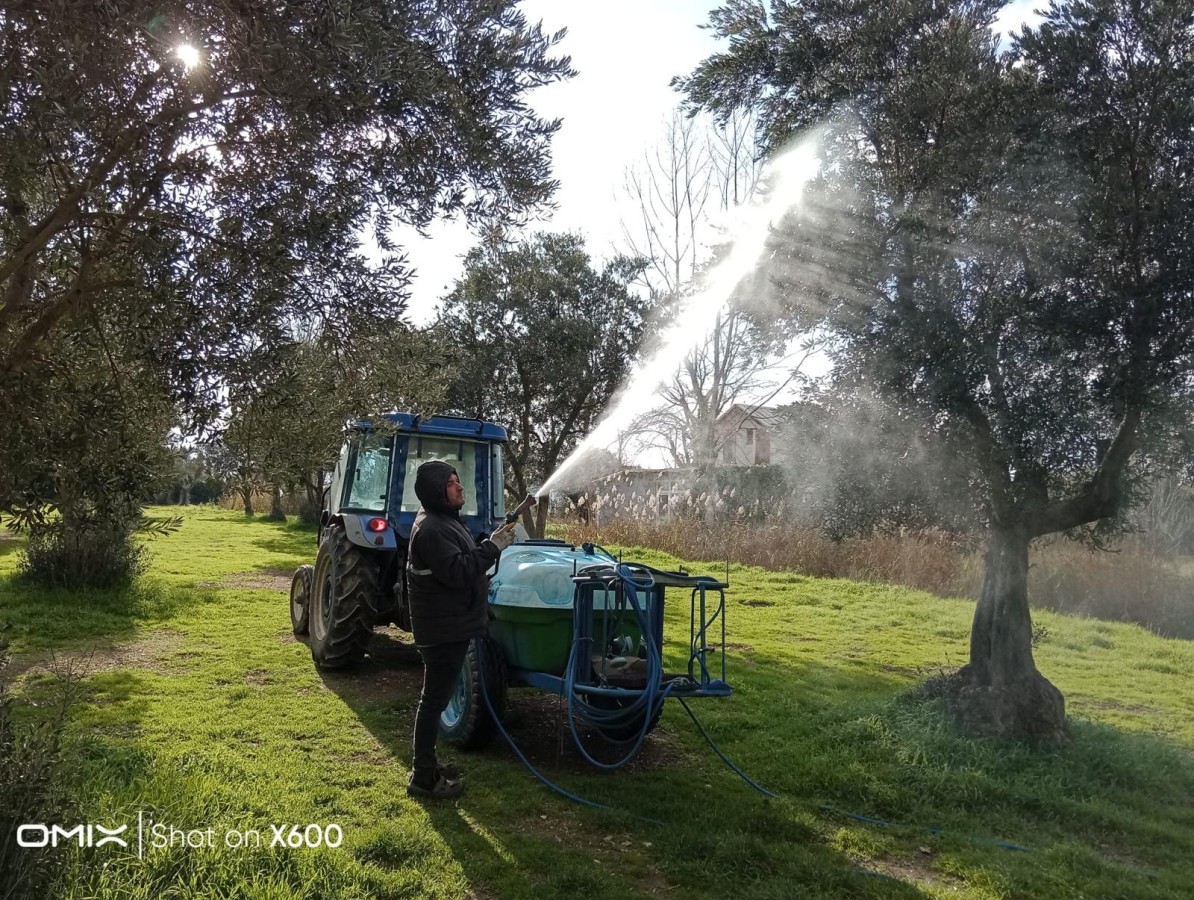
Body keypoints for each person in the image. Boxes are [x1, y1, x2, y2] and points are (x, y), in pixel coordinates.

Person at [405, 459, 515, 799]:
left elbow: (459, 568)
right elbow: (456, 571)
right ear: (438, 491)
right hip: (443, 631)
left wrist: (483, 562)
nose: (460, 487)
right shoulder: (433, 529)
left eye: (458, 481)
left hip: (449, 625)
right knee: (433, 702)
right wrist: (493, 547)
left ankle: (427, 768)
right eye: (452, 483)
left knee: (433, 700)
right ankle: (423, 778)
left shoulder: (444, 522)